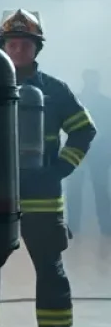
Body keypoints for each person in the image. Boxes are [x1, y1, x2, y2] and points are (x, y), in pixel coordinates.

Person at [0, 11, 96, 327]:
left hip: (43, 199)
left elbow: (85, 129)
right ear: (2, 47)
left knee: (50, 269)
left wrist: (60, 169)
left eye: (26, 43)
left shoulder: (55, 90)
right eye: (12, 43)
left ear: (36, 48)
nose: (18, 48)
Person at [67, 69, 111, 242]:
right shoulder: (78, 100)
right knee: (76, 190)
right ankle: (74, 227)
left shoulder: (100, 102)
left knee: (99, 190)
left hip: (96, 152)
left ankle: (105, 227)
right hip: (80, 151)